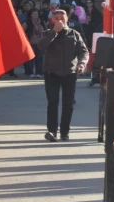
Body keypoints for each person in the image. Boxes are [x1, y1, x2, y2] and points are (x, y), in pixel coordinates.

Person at [38, 9, 89, 142]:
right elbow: (41, 46)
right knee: (53, 102)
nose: (60, 20)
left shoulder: (74, 34)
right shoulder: (47, 33)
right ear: (52, 20)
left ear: (67, 19)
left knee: (68, 103)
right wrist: (54, 32)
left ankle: (64, 132)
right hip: (51, 73)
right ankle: (52, 131)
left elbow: (84, 52)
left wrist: (82, 64)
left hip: (70, 73)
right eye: (56, 18)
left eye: (62, 17)